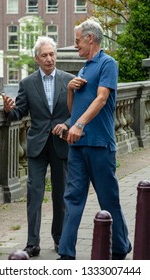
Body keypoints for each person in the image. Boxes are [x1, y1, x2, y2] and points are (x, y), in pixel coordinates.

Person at [57, 18, 132, 260]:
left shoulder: (108, 64)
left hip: (100, 144)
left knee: (108, 197)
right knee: (72, 198)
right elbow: (73, 110)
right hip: (77, 145)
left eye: (78, 39)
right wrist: (70, 90)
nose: (75, 44)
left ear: (91, 38)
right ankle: (66, 253)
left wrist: (78, 125)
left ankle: (120, 246)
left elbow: (101, 99)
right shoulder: (82, 69)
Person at [2, 36, 75, 257]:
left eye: (52, 54)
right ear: (36, 59)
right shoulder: (27, 83)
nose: (49, 59)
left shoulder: (70, 80)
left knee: (60, 194)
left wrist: (67, 125)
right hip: (36, 147)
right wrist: (8, 109)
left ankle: (60, 238)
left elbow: (79, 112)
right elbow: (19, 113)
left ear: (56, 56)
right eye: (44, 55)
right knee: (34, 194)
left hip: (61, 144)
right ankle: (32, 243)